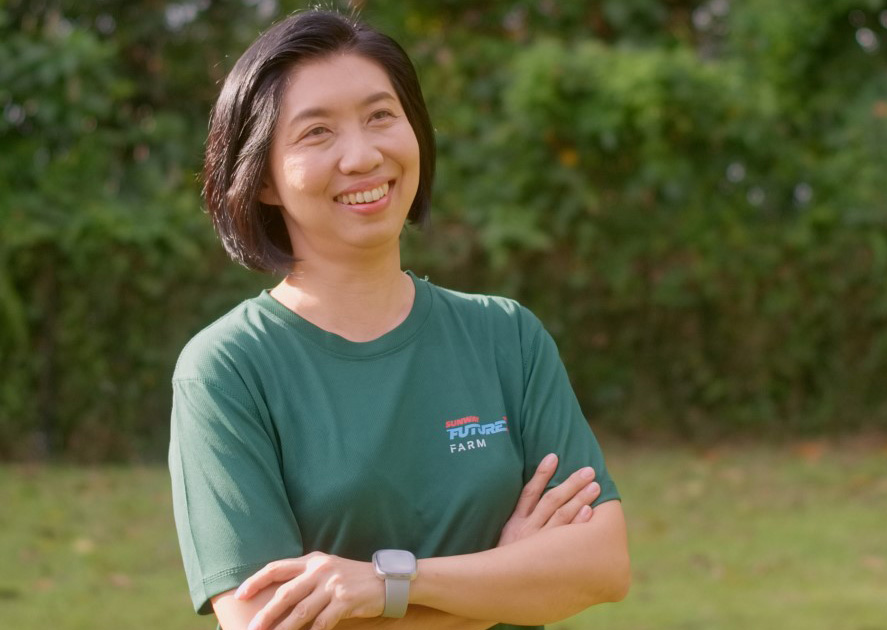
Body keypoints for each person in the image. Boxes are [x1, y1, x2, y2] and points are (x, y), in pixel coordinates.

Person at [168, 10, 629, 630]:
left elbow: (601, 566)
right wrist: (505, 576)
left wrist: (386, 585)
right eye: (317, 133)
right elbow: (267, 623)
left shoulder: (506, 337)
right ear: (264, 179)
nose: (363, 156)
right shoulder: (226, 370)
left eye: (381, 116)